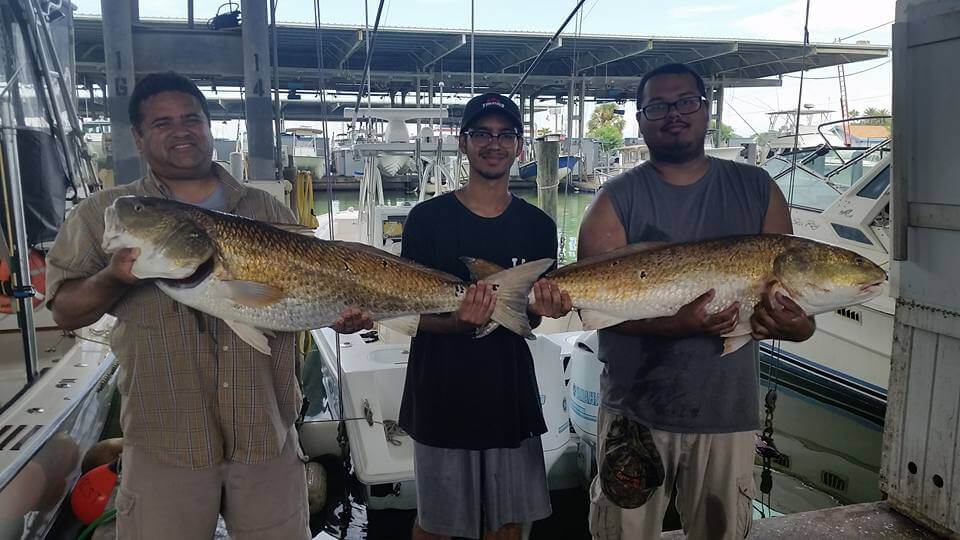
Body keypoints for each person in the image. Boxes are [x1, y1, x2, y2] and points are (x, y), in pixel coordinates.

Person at [45, 71, 368, 539]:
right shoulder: (106, 213)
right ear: (138, 136)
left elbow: (303, 295)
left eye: (191, 118)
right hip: (164, 439)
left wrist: (342, 316)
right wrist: (114, 276)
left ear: (207, 126)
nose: (181, 131)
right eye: (162, 123)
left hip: (265, 433)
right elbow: (65, 311)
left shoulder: (266, 209)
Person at [580, 63, 816, 539]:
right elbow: (596, 310)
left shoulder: (758, 189)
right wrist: (676, 324)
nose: (674, 115)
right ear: (641, 119)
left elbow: (792, 306)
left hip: (727, 413)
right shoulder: (614, 199)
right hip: (635, 411)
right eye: (658, 106)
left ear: (707, 109)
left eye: (686, 101)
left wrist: (798, 326)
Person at [398, 92, 572, 540]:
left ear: (519, 146)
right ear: (462, 142)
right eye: (481, 133)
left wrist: (543, 310)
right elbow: (411, 311)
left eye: (505, 135)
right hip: (439, 390)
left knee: (507, 525)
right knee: (435, 525)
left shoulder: (539, 227)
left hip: (508, 392)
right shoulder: (425, 220)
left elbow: (528, 319)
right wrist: (461, 322)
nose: (493, 144)